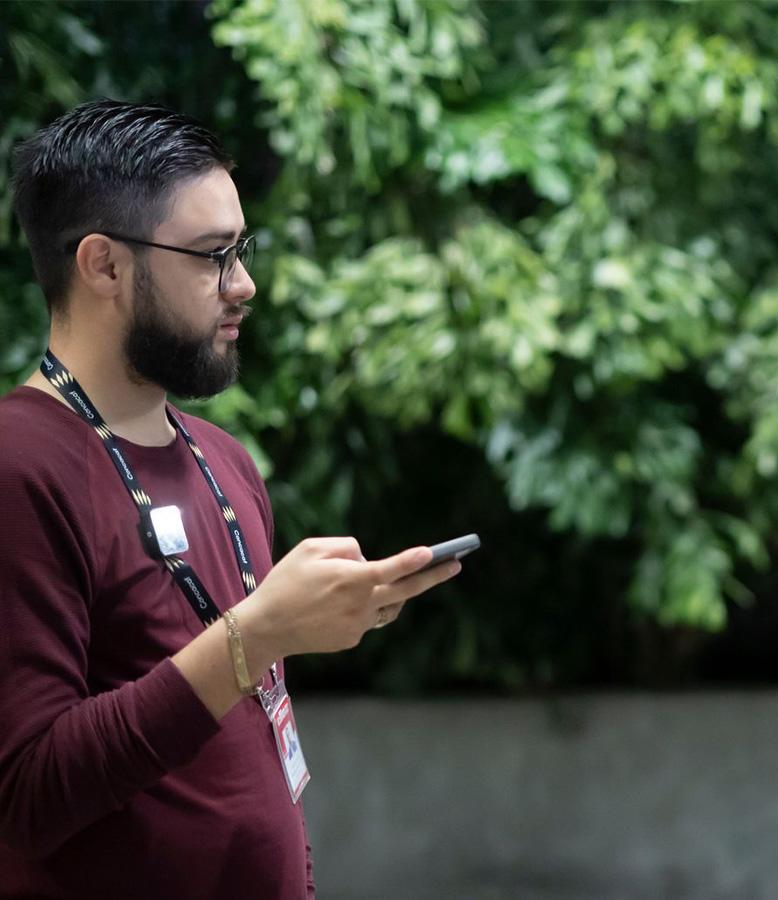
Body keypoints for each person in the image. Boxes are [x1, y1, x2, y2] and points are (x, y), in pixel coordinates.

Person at [0, 100, 462, 898]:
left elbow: (255, 755)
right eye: (212, 255)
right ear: (104, 266)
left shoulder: (225, 462)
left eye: (241, 250)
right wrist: (255, 635)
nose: (243, 284)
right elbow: (26, 795)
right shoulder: (19, 465)